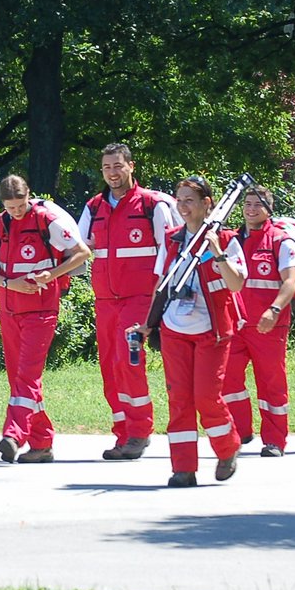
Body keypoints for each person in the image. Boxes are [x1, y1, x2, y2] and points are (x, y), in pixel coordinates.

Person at [131, 176, 246, 487]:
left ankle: (227, 447)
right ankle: (183, 468)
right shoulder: (171, 240)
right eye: (179, 200)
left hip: (213, 331)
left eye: (189, 200)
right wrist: (148, 324)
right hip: (174, 331)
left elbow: (236, 284)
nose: (182, 206)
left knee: (207, 398)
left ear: (207, 203)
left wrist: (218, 253)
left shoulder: (227, 238)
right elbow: (161, 286)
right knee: (180, 399)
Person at [77, 144, 180, 460]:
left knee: (128, 359)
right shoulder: (94, 207)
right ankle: (122, 434)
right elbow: (76, 249)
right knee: (110, 367)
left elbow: (171, 248)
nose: (112, 172)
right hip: (105, 301)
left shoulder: (153, 204)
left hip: (140, 299)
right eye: (107, 167)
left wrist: (163, 296)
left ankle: (139, 432)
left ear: (131, 166)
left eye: (118, 166)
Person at [0, 175, 92, 463]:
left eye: (20, 205)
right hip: (9, 308)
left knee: (27, 375)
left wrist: (52, 274)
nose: (16, 212)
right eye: (10, 207)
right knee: (17, 377)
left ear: (29, 195)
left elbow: (82, 253)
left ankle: (13, 435)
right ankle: (41, 444)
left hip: (41, 310)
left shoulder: (46, 220)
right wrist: (9, 284)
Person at [221, 186, 295, 457]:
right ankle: (241, 431)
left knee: (271, 383)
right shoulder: (232, 240)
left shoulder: (281, 241)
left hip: (269, 325)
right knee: (228, 378)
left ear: (269, 209)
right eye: (248, 203)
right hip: (237, 324)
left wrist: (275, 309)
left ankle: (275, 440)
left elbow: (291, 281)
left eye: (258, 204)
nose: (251, 209)